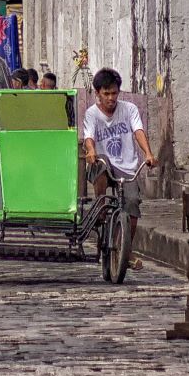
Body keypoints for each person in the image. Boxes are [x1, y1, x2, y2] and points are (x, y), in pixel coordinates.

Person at [80, 68, 153, 261]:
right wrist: (91, 150)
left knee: (132, 204)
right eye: (106, 94)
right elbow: (89, 136)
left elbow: (138, 131)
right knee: (101, 161)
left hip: (127, 166)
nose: (111, 98)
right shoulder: (92, 114)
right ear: (98, 93)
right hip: (103, 164)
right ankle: (101, 205)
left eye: (114, 93)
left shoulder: (129, 109)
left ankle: (124, 250)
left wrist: (148, 153)